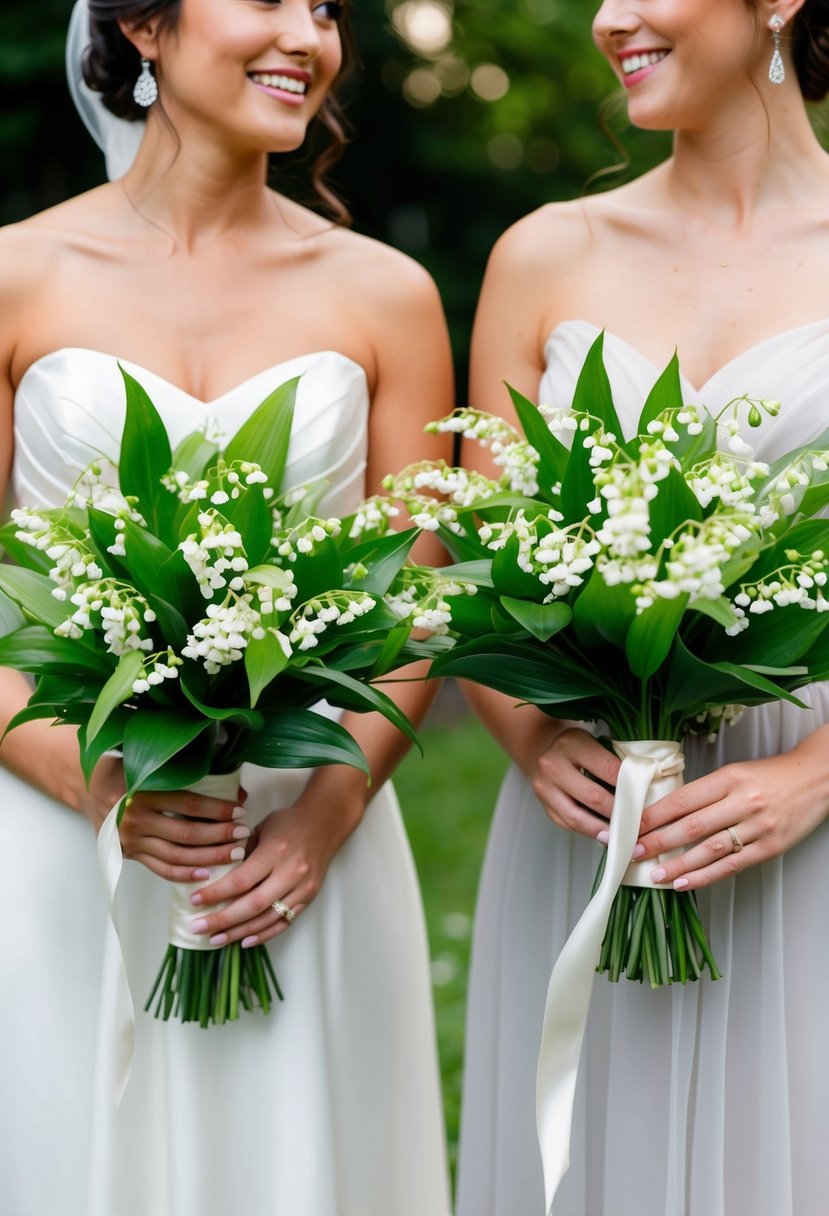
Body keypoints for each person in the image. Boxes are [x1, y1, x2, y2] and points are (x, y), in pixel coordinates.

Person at [0, 2, 454, 1214]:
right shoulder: (15, 275)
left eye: (324, 11)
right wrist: (94, 787)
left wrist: (320, 820)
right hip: (59, 847)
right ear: (144, 25)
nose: (306, 36)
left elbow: (416, 607)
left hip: (309, 841)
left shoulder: (388, 293)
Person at [456, 3, 829, 1215]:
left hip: (800, 812)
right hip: (591, 823)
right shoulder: (543, 254)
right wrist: (530, 733)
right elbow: (466, 571)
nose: (610, 18)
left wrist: (815, 774)